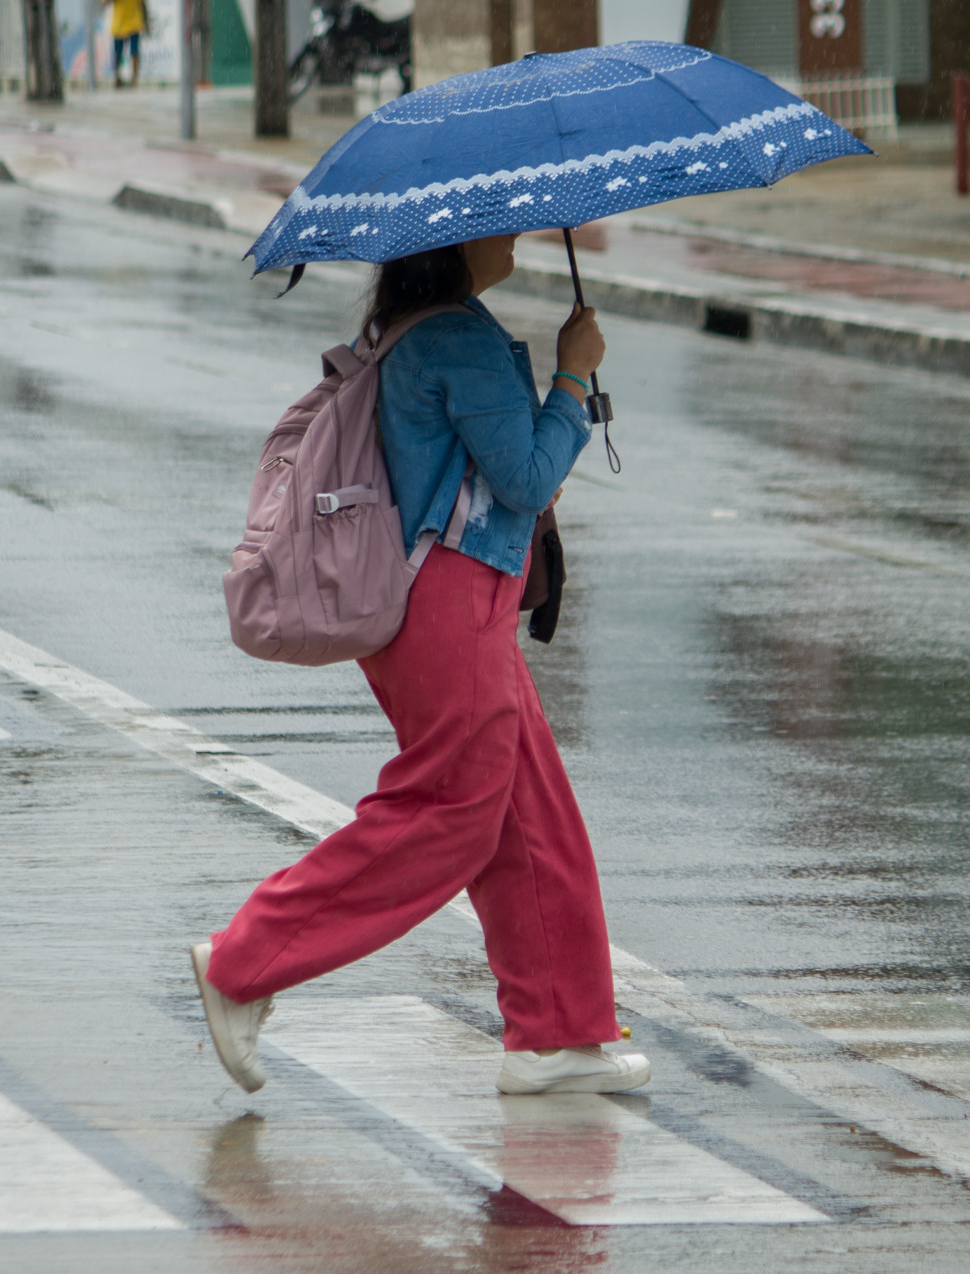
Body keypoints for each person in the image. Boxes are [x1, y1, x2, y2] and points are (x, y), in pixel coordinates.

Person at [191, 233, 651, 1098]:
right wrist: (574, 379)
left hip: (446, 597)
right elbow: (522, 478)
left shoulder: (423, 325)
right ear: (457, 241)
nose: (512, 233)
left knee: (529, 813)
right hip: (453, 602)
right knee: (449, 817)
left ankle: (559, 1033)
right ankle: (241, 961)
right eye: (497, 224)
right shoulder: (458, 339)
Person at [109, 0, 144, 88]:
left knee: (124, 52)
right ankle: (127, 78)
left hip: (124, 22)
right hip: (127, 21)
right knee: (131, 51)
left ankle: (121, 77)